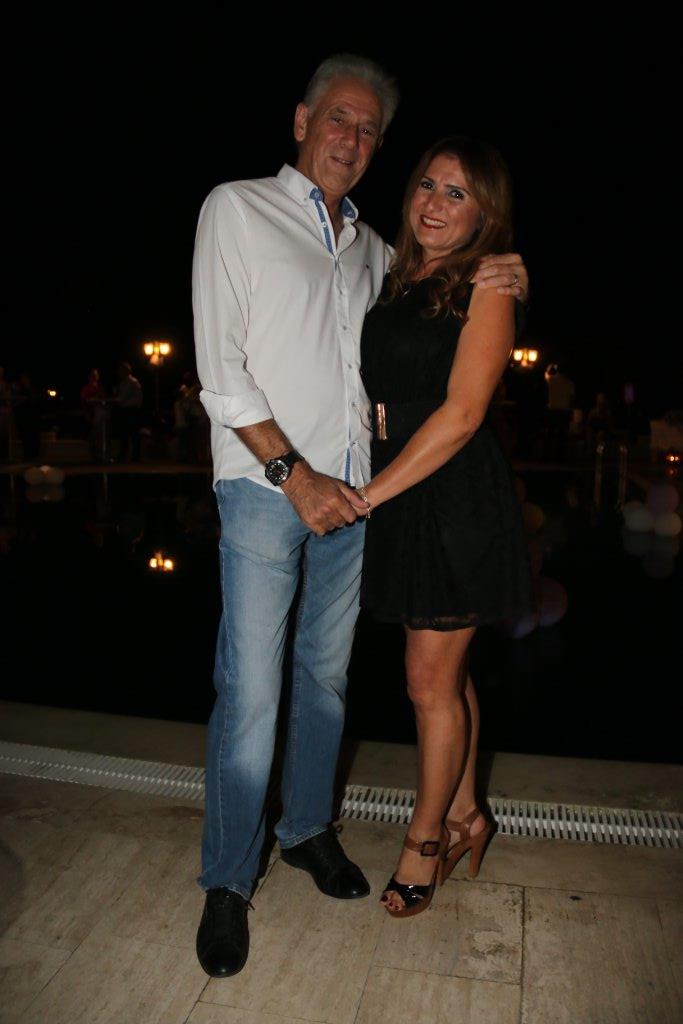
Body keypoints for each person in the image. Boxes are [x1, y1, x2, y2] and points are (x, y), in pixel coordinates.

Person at [192, 55, 529, 977]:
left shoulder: (378, 251)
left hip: (360, 498)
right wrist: (291, 473)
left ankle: (307, 830)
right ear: (301, 120)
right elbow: (220, 369)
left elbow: (442, 352)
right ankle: (228, 880)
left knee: (328, 683)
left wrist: (504, 264)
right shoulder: (237, 208)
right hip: (270, 489)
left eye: (369, 129)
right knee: (251, 692)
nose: (350, 138)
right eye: (337, 118)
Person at [358, 136, 534, 916]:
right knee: (447, 676)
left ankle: (423, 842)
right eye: (427, 185)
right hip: (407, 484)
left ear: (485, 212)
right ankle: (466, 813)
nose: (434, 203)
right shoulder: (397, 276)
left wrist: (368, 496)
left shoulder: (486, 284)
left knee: (426, 683)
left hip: (449, 493)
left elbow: (463, 415)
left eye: (456, 193)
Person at [114, 362, 143, 462]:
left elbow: (123, 397)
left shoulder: (131, 382)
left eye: (121, 371)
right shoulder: (124, 382)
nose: (119, 373)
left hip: (131, 410)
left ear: (126, 371)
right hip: (127, 410)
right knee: (125, 433)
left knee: (132, 433)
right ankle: (125, 455)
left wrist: (115, 400)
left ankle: (134, 456)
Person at [80, 368, 109, 461]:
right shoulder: (86, 388)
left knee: (100, 435)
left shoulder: (100, 388)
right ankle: (93, 455)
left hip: (101, 415)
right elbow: (84, 402)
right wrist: (87, 414)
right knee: (92, 435)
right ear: (89, 377)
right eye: (92, 375)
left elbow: (104, 400)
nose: (94, 377)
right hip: (91, 413)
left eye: (96, 375)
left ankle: (101, 455)